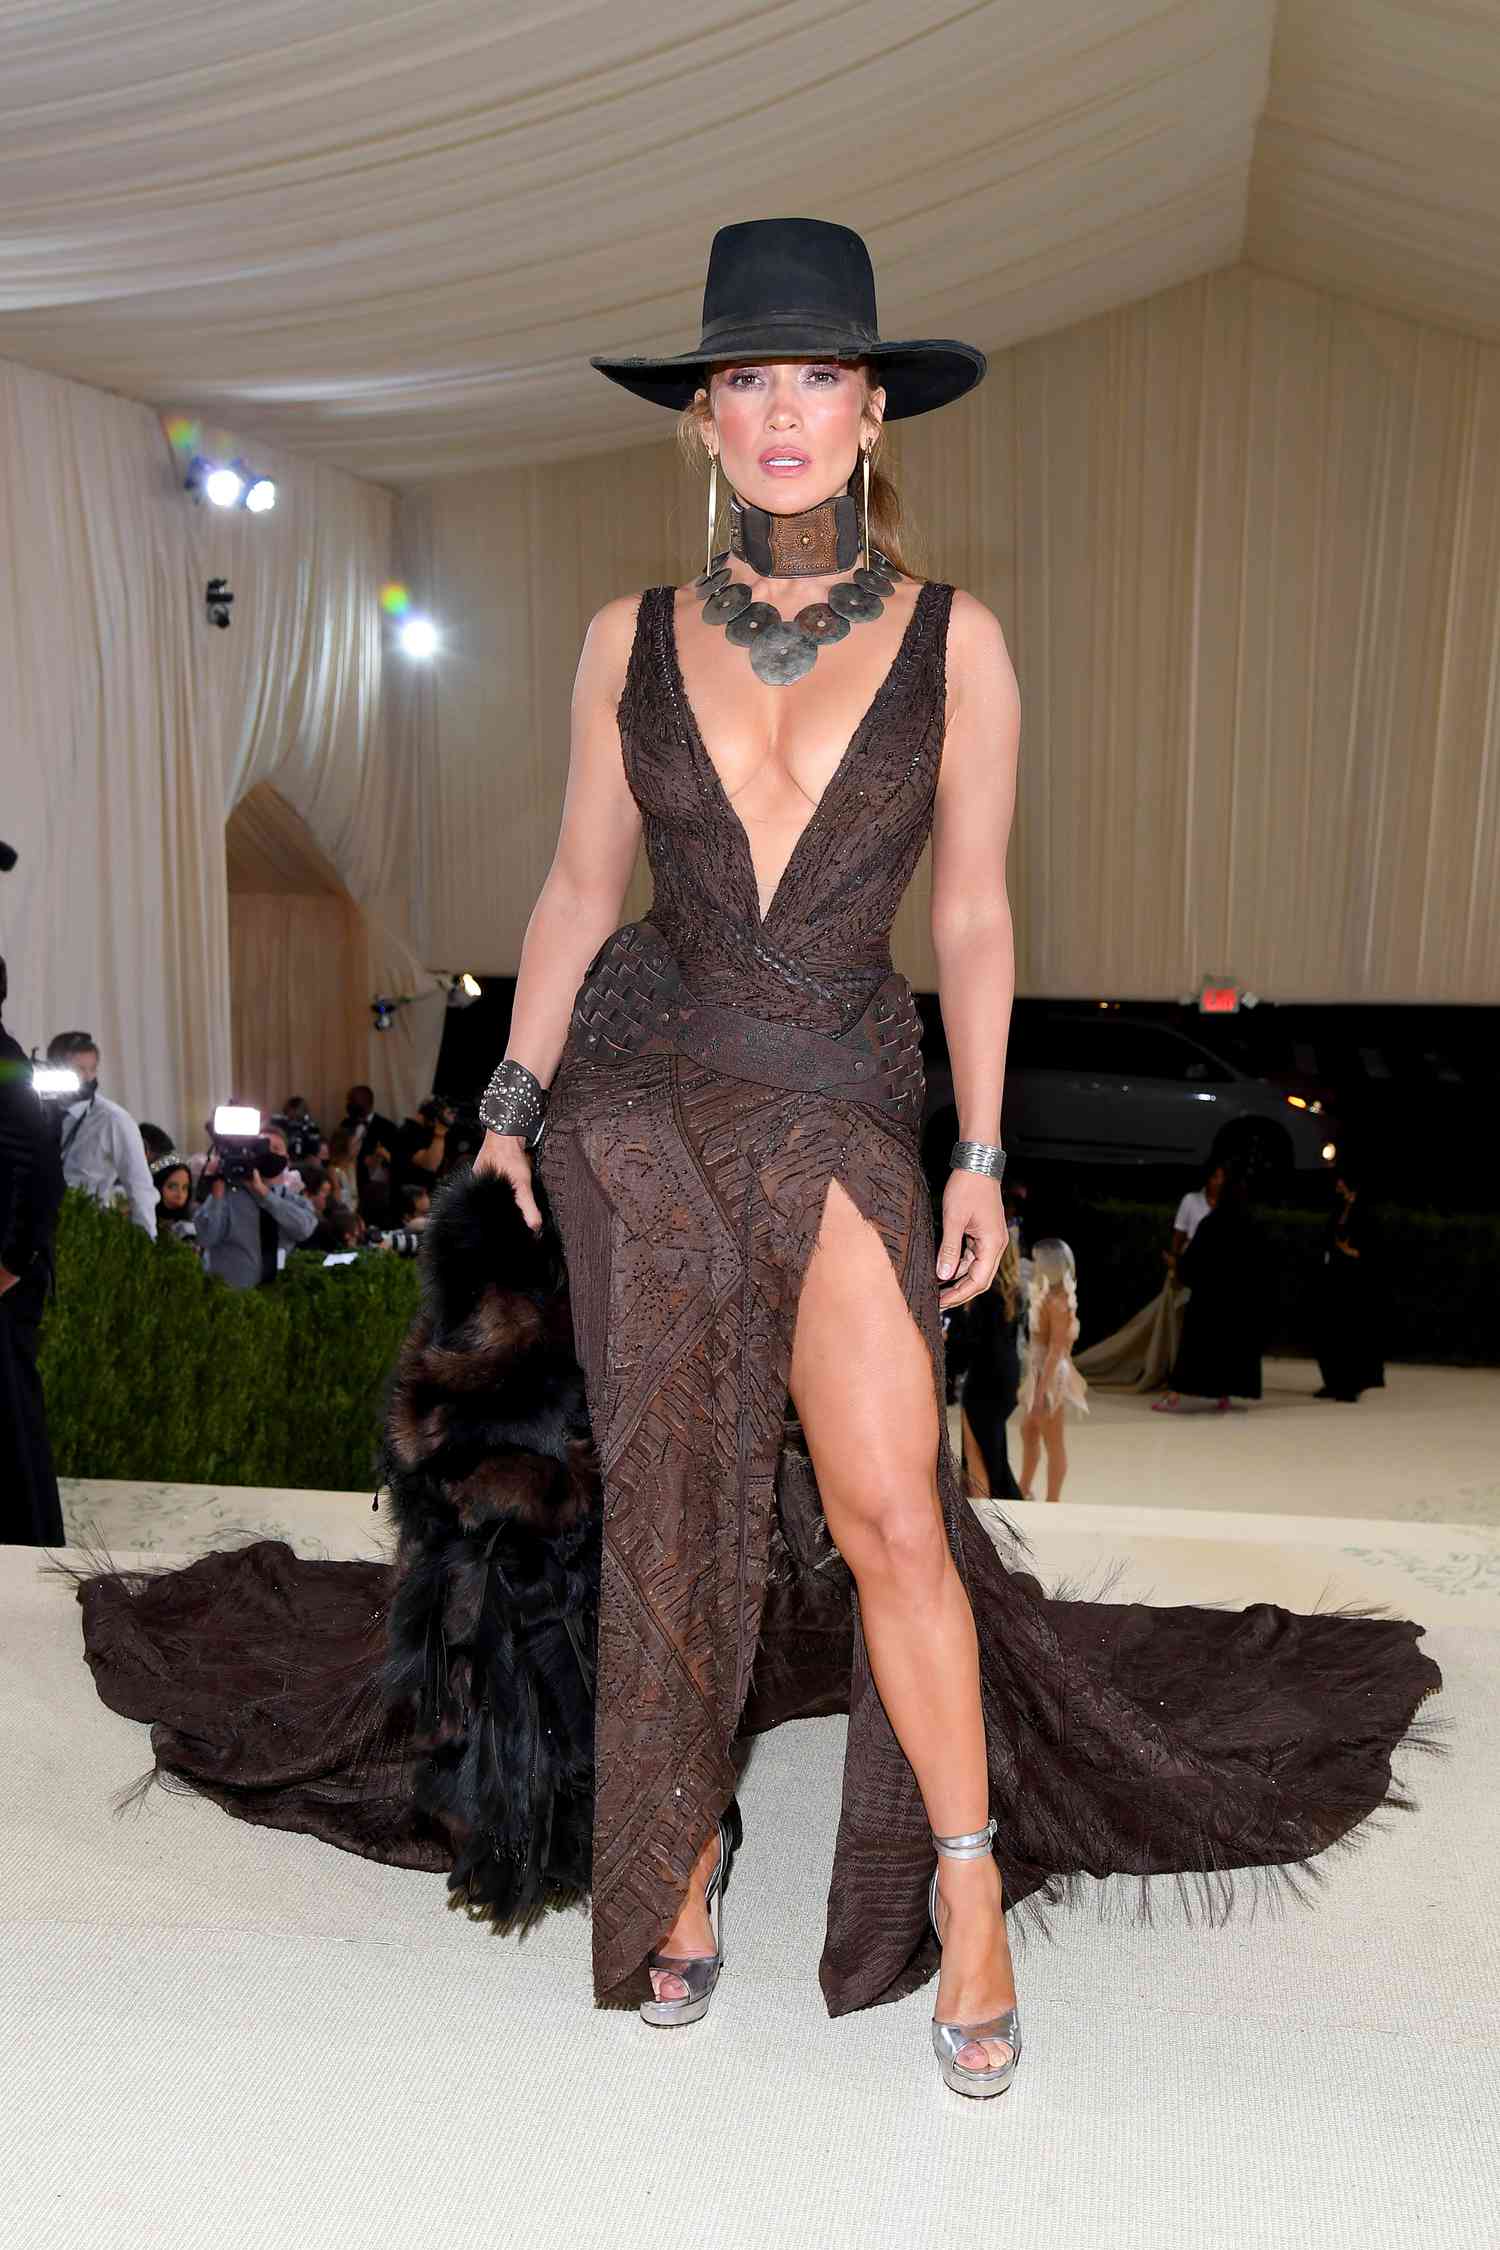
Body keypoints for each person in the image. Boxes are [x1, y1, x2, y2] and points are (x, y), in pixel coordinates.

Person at [64, 218, 1441, 2106]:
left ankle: (960, 1890)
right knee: (672, 1505)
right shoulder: (623, 641)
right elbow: (570, 890)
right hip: (648, 1114)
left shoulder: (963, 644)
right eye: (746, 383)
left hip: (840, 1102)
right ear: (705, 423)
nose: (781, 413)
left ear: (874, 410)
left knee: (888, 1512)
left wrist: (976, 1151)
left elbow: (972, 921)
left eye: (815, 379)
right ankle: (678, 1846)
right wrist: (513, 1103)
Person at [0, 955, 67, 1544]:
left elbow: (42, 1170)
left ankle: (29, 1551)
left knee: (13, 1419)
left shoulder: (4, 1062)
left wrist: (13, 1263)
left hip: (7, 1282)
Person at [1155, 1165, 1271, 1412]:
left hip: (1210, 1300)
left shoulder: (1212, 1224)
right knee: (1230, 1347)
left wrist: (1178, 1264)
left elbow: (1196, 1260)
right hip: (1240, 1302)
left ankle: (1175, 1394)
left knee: (1196, 1348)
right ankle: (1224, 1393)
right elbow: (1262, 1265)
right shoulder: (1251, 1224)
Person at [44, 1031, 157, 1238]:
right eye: (77, 1070)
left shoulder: (114, 1120)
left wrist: (146, 1247)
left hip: (86, 1236)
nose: (87, 1077)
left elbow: (140, 1187)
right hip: (34, 1231)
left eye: (92, 1069)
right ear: (52, 1069)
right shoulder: (34, 1112)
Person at [192, 1124, 317, 1288]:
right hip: (229, 1299)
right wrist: (217, 1192)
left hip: (278, 1296)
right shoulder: (227, 1195)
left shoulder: (292, 1200)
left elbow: (304, 1229)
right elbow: (206, 1237)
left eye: (276, 1148)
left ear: (287, 1158)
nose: (269, 1153)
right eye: (262, 1148)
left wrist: (264, 1193)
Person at [1015, 1239, 1089, 1500]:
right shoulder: (1049, 1297)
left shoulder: (1058, 1303)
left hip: (1050, 1375)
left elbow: (1056, 1351)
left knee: (1052, 1441)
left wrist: (1039, 1392)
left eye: (1038, 1261)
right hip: (1041, 1370)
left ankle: (1052, 1499)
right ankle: (1024, 1489)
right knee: (1029, 1430)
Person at [1314, 1164, 1386, 1402]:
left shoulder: (1364, 1210)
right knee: (1331, 1332)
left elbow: (1373, 1246)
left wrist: (1353, 1252)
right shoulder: (1339, 1209)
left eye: (1341, 1181)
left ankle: (1351, 1384)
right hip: (1334, 1278)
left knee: (1351, 1334)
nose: (1337, 1185)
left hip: (1355, 1282)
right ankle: (1333, 1381)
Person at [150, 1151, 198, 1246]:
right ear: (155, 1186)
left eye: (185, 1188)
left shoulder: (190, 1230)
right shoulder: (138, 1223)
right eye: (172, 1187)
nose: (180, 1195)